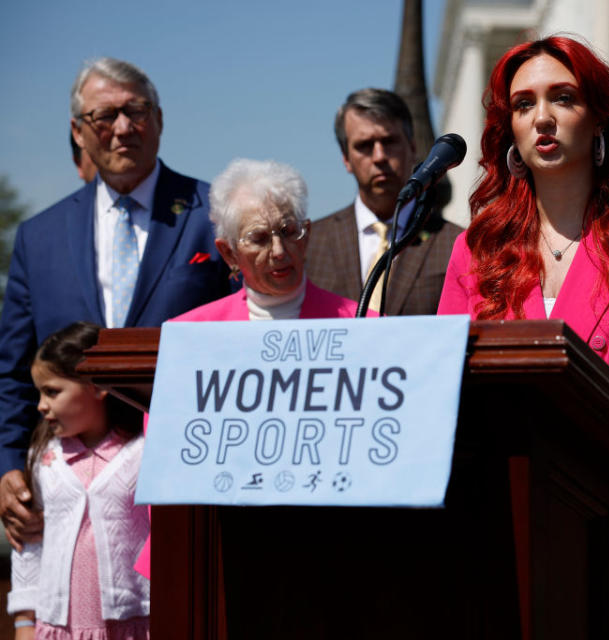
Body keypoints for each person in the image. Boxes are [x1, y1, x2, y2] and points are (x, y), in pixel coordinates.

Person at [437, 36, 609, 639]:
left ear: (597, 118)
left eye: (563, 98)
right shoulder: (475, 251)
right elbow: (445, 406)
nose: (542, 117)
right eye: (523, 103)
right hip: (496, 532)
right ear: (507, 126)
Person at [0, 58, 232, 552]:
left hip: (183, 486)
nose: (123, 128)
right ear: (79, 132)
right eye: (104, 116)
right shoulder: (39, 238)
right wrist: (5, 467)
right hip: (67, 497)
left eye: (137, 111)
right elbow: (14, 372)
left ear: (160, 120)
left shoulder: (214, 216)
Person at [132, 157, 369, 580]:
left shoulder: (361, 325)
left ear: (307, 234)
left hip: (329, 552)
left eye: (289, 231)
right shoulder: (188, 337)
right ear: (228, 252)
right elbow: (165, 460)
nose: (279, 251)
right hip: (214, 553)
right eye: (259, 238)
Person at [8, 322, 150, 640]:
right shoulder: (45, 461)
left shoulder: (142, 453)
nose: (41, 406)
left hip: (131, 625)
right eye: (39, 393)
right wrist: (23, 622)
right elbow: (29, 545)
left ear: (98, 386)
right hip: (58, 628)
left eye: (52, 391)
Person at [305, 88, 462, 315]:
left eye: (389, 141)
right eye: (365, 146)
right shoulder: (311, 245)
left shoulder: (455, 244)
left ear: (413, 147)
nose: (379, 156)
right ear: (346, 159)